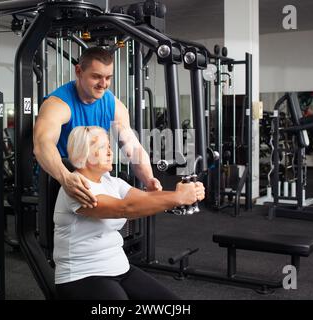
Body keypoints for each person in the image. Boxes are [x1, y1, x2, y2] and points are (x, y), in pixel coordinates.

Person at [54, 126, 205, 300]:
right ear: (83, 154)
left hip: (119, 267)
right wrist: (178, 198)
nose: (111, 152)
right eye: (103, 148)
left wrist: (186, 194)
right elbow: (124, 209)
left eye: (110, 146)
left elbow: (143, 199)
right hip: (82, 276)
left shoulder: (112, 182)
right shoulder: (75, 187)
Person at [33, 47, 162, 209]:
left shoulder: (114, 105)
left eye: (108, 78)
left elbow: (132, 147)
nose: (103, 84)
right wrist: (65, 177)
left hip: (92, 174)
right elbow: (42, 144)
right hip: (57, 177)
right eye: (96, 77)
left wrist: (149, 179)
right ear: (79, 71)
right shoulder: (58, 104)